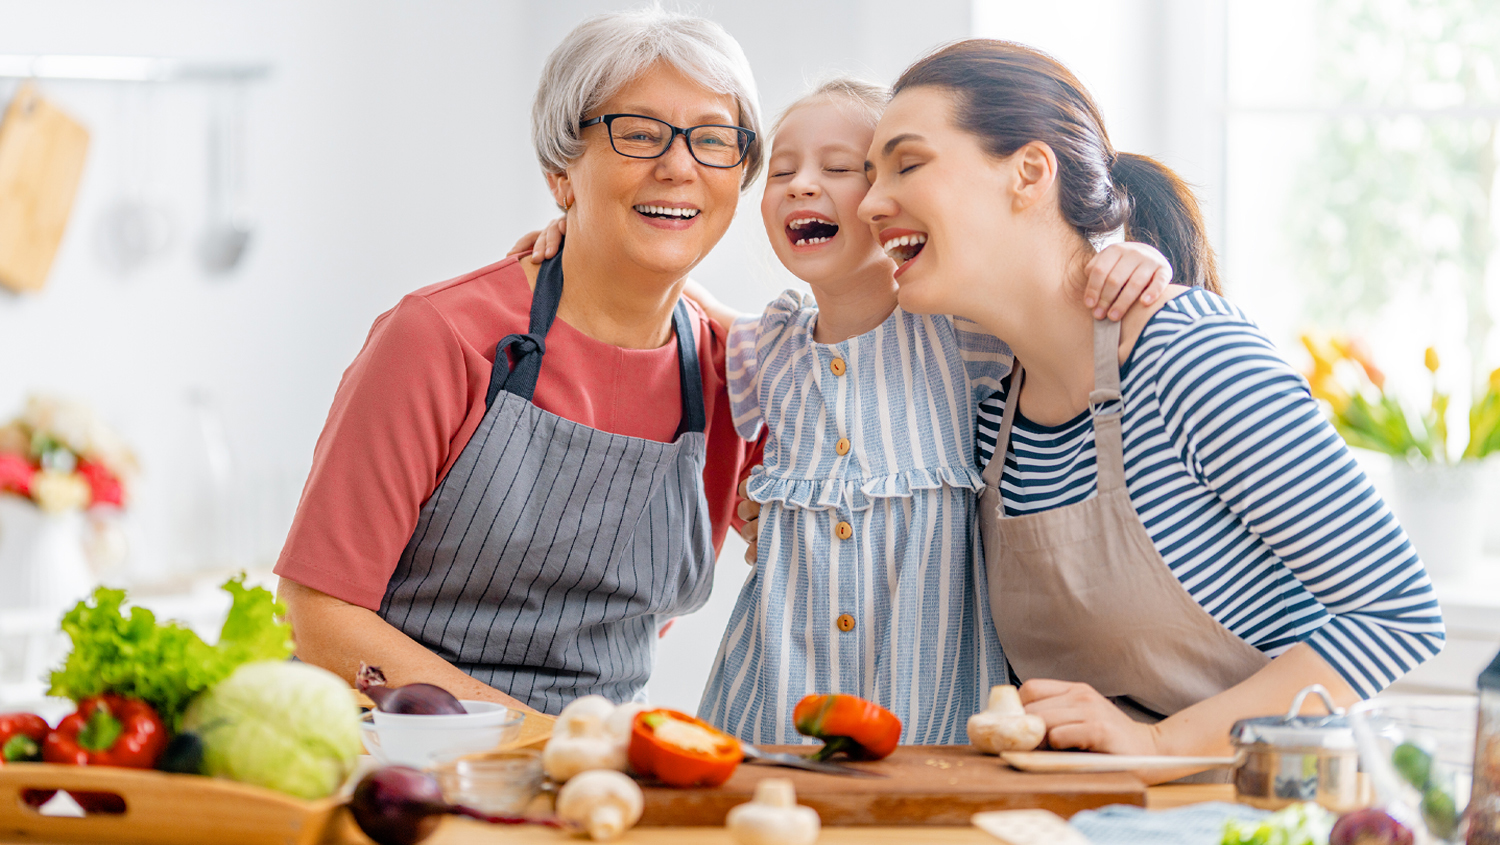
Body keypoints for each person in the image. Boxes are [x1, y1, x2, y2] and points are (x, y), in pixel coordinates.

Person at [854, 39, 1444, 778]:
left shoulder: (1189, 357)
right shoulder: (990, 414)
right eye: (871, 175)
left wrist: (1162, 744)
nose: (870, 202)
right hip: (1102, 815)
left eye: (907, 165)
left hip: (1264, 811)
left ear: (1030, 173)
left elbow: (1398, 613)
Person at [526, 79, 1172, 743]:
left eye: (842, 169)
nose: (804, 185)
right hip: (772, 704)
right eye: (782, 170)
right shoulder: (764, 346)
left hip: (930, 712)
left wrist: (1129, 255)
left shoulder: (960, 335)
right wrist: (585, 233)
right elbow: (671, 295)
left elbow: (1051, 294)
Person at [273, 8, 765, 714]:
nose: (679, 165)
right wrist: (535, 738)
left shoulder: (733, 375)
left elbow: (857, 513)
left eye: (714, 140)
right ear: (560, 172)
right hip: (398, 753)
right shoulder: (438, 338)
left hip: (594, 778)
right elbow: (317, 615)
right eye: (638, 133)